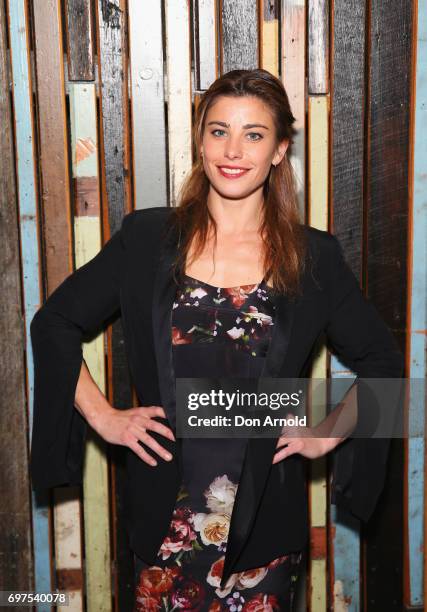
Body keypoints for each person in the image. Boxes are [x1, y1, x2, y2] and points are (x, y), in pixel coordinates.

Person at [30, 69, 404, 611]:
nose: (233, 150)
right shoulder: (146, 239)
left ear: (279, 150)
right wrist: (102, 415)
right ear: (201, 139)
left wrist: (327, 435)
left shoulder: (313, 256)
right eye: (218, 130)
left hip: (265, 526)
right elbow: (54, 322)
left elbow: (383, 359)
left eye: (254, 134)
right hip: (165, 522)